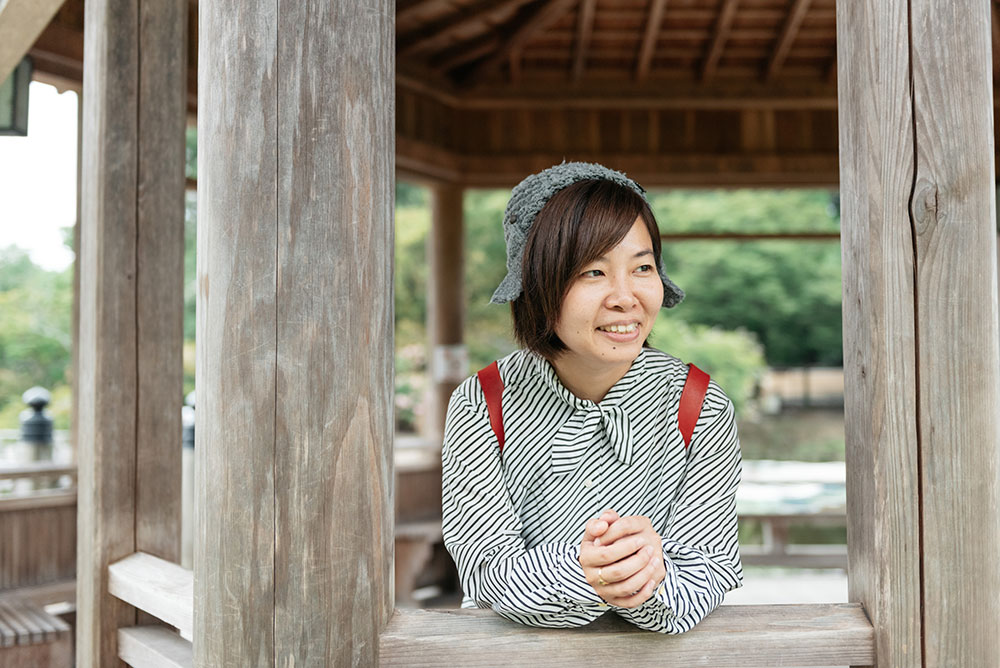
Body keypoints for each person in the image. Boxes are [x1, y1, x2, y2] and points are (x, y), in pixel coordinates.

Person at [440, 161, 742, 634]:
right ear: (536, 284)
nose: (625, 297)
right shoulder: (484, 402)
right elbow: (487, 573)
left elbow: (707, 571)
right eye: (592, 272)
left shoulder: (699, 404)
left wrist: (649, 579)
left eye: (642, 267)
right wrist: (595, 568)